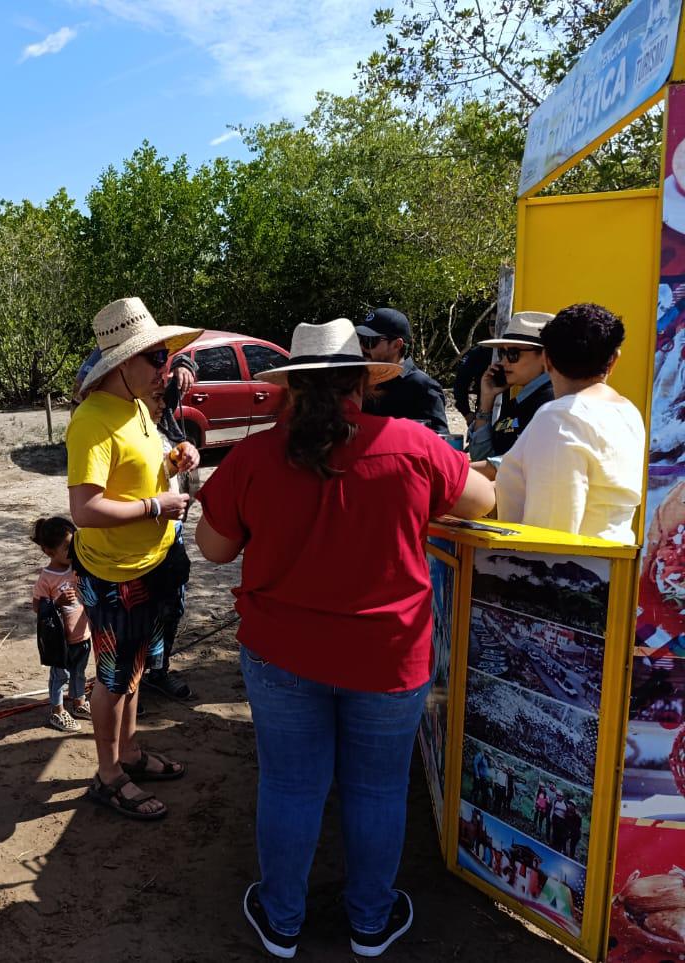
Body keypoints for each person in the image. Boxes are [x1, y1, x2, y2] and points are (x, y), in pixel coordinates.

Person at [193, 317, 495, 958]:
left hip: (281, 653)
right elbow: (483, 502)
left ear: (291, 388)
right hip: (389, 656)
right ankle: (369, 921)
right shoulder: (413, 444)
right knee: (378, 789)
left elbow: (215, 550)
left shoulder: (252, 455)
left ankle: (281, 920)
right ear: (363, 381)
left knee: (290, 785)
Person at [67, 296, 201, 821]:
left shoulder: (136, 410)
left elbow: (139, 473)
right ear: (124, 364)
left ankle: (130, 753)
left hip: (152, 564)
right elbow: (84, 508)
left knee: (137, 669)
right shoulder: (92, 421)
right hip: (117, 576)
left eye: (166, 357)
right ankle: (108, 775)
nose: (167, 369)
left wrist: (175, 462)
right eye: (158, 358)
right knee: (112, 677)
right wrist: (156, 505)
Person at [495, 303, 645, 542]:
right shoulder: (628, 413)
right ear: (614, 360)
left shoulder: (558, 417)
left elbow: (550, 532)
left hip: (564, 572)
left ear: (547, 359)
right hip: (612, 568)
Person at [143, 385, 194, 700]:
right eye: (157, 398)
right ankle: (130, 689)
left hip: (172, 540)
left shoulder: (162, 430)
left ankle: (158, 672)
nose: (164, 404)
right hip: (139, 547)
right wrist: (157, 507)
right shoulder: (122, 436)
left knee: (171, 610)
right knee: (139, 619)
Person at [468, 312, 555, 470]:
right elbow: (481, 456)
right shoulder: (518, 401)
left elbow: (521, 465)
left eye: (513, 354)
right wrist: (486, 401)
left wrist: (459, 472)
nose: (503, 362)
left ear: (545, 356)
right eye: (503, 353)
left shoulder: (550, 403)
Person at [30, 516, 93, 732]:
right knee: (60, 676)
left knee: (79, 672)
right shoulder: (46, 578)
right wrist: (57, 602)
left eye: (75, 543)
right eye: (68, 547)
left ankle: (78, 702)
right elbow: (38, 608)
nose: (73, 550)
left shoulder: (77, 567)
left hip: (82, 635)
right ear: (49, 552)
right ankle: (57, 711)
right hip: (61, 641)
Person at [356, 308, 449, 433]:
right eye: (361, 339)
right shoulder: (360, 380)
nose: (362, 347)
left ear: (397, 345)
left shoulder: (422, 386)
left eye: (370, 341)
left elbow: (439, 442)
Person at [453, 344, 493, 423]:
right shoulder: (479, 352)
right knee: (480, 434)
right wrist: (466, 412)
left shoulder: (516, 351)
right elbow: (460, 382)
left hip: (514, 411)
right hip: (485, 413)